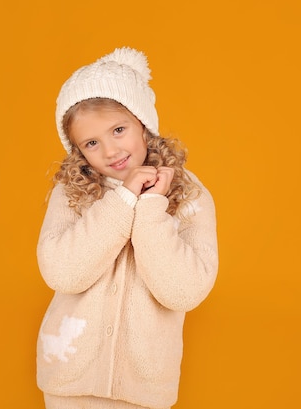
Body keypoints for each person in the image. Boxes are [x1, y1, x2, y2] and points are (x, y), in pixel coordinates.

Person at [36, 47, 219, 409]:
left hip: (145, 388)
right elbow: (63, 273)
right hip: (69, 380)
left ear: (144, 125)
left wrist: (151, 205)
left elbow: (183, 292)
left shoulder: (190, 195)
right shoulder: (70, 193)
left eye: (119, 130)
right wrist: (121, 202)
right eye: (92, 143)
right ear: (79, 151)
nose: (110, 150)